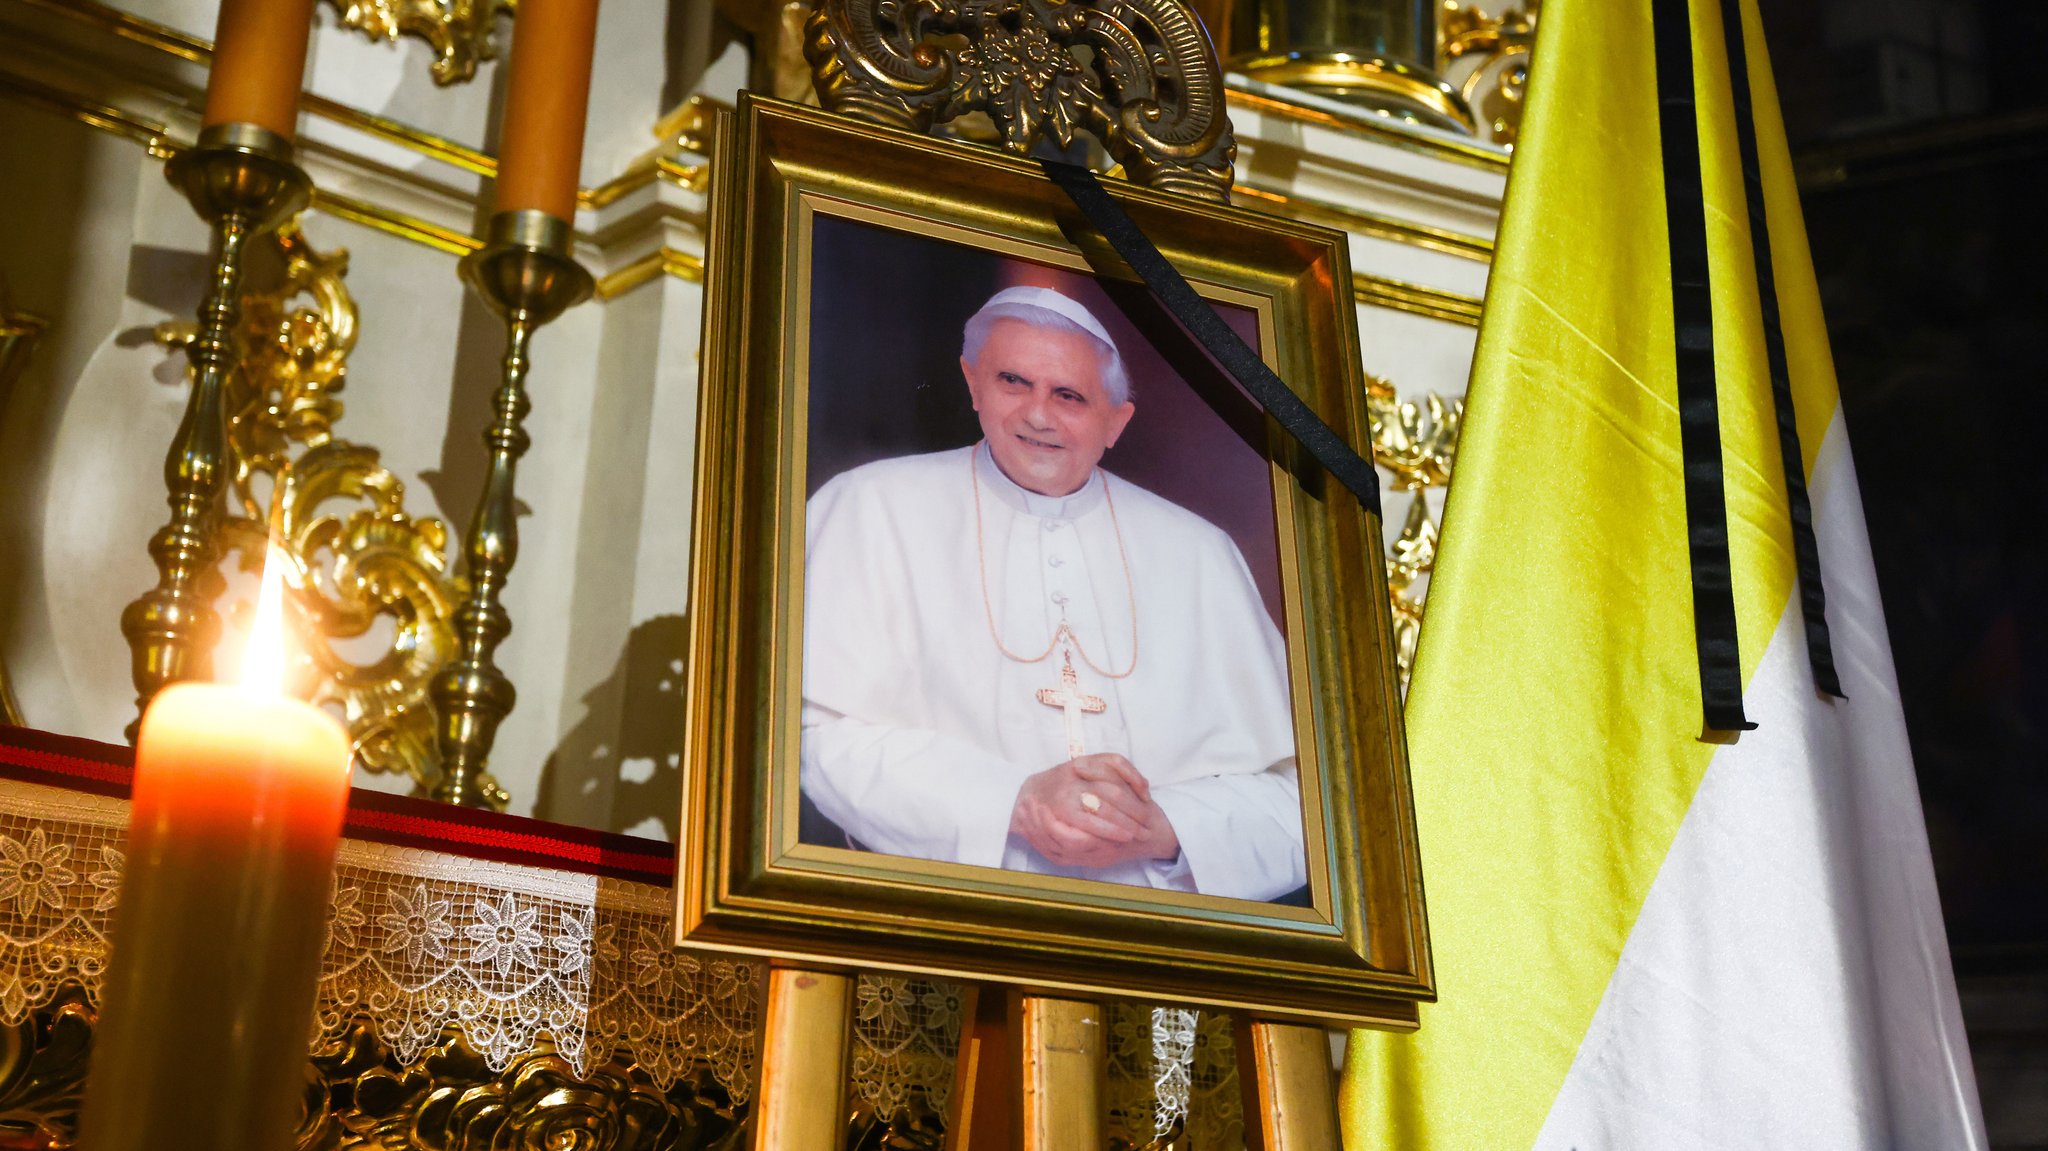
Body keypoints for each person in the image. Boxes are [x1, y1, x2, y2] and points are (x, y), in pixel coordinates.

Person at [799, 285, 1304, 901]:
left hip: (1152, 939)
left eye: (1069, 395)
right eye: (1014, 382)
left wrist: (1169, 827)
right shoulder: (871, 508)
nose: (1038, 415)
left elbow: (1297, 799)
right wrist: (1012, 802)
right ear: (972, 383)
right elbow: (818, 737)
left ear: (1116, 422)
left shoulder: (1199, 553)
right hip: (941, 914)